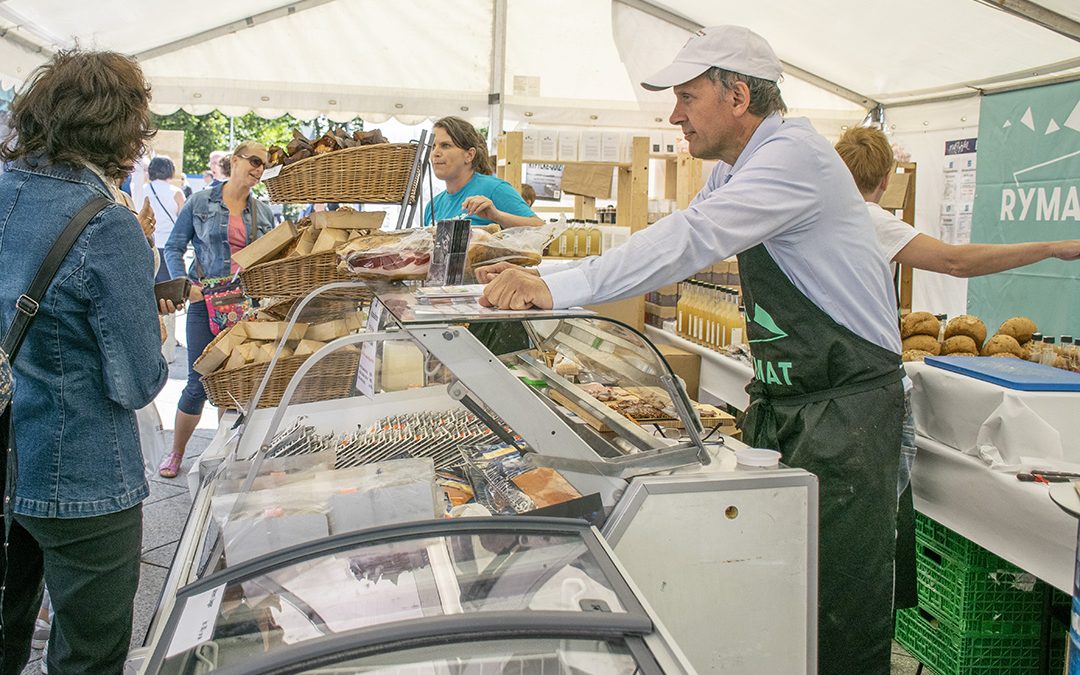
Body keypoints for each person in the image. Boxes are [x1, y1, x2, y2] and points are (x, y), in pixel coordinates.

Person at [480, 26, 904, 674]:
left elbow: (691, 240)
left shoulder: (792, 157)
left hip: (844, 413)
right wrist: (549, 272)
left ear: (737, 95)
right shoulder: (741, 164)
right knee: (790, 600)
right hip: (797, 404)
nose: (674, 114)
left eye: (686, 96)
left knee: (838, 610)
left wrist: (555, 286)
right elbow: (672, 234)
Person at [835, 124, 1080, 609]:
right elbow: (956, 261)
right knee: (880, 518)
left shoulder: (818, 217)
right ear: (885, 180)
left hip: (839, 388)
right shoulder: (867, 220)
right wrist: (1052, 247)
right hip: (870, 389)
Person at [0, 48, 169, 674]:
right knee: (88, 657)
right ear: (124, 128)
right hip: (82, 474)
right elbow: (137, 381)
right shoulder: (107, 223)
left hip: (9, 455)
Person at [161, 141, 273, 478]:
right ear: (235, 160)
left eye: (264, 165)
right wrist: (185, 285)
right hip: (204, 304)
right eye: (254, 161)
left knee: (235, 380)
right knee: (198, 380)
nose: (258, 169)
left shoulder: (263, 211)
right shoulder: (199, 201)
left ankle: (224, 455)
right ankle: (176, 452)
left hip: (244, 308)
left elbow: (269, 259)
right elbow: (174, 247)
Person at [423, 116, 542, 230]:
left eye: (445, 146)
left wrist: (497, 216)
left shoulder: (494, 189)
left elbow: (540, 228)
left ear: (469, 155)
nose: (435, 153)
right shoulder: (433, 206)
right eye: (433, 146)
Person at [143, 156, 186, 283]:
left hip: (149, 243)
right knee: (167, 286)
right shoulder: (176, 192)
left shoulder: (143, 189)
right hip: (169, 244)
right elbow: (182, 219)